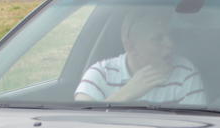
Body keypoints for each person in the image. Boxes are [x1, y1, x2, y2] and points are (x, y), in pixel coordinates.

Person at [74, 7, 204, 105]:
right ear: (130, 46)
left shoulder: (184, 73)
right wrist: (127, 93)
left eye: (169, 35)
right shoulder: (101, 74)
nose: (170, 44)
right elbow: (81, 123)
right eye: (158, 39)